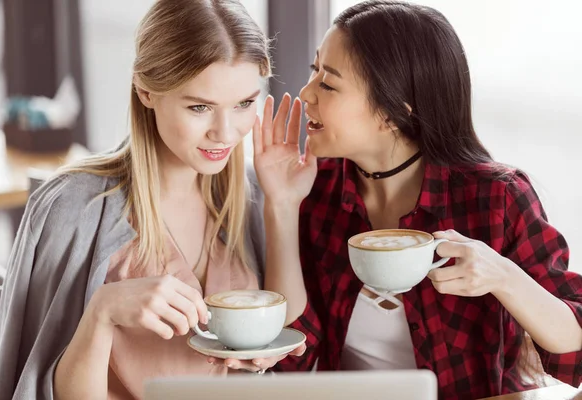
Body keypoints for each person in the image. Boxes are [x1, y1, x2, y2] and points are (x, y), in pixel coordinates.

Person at [240, 1, 582, 399]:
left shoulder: (497, 197)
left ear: (392, 113)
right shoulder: (318, 190)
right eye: (314, 71)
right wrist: (281, 204)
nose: (305, 92)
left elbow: (574, 350)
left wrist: (502, 276)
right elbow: (292, 359)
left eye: (328, 84)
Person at [0, 1, 303, 399]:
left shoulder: (246, 192)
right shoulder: (74, 208)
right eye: (200, 107)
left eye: (243, 104)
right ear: (146, 91)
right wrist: (102, 313)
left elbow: (282, 319)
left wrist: (283, 203)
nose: (225, 133)